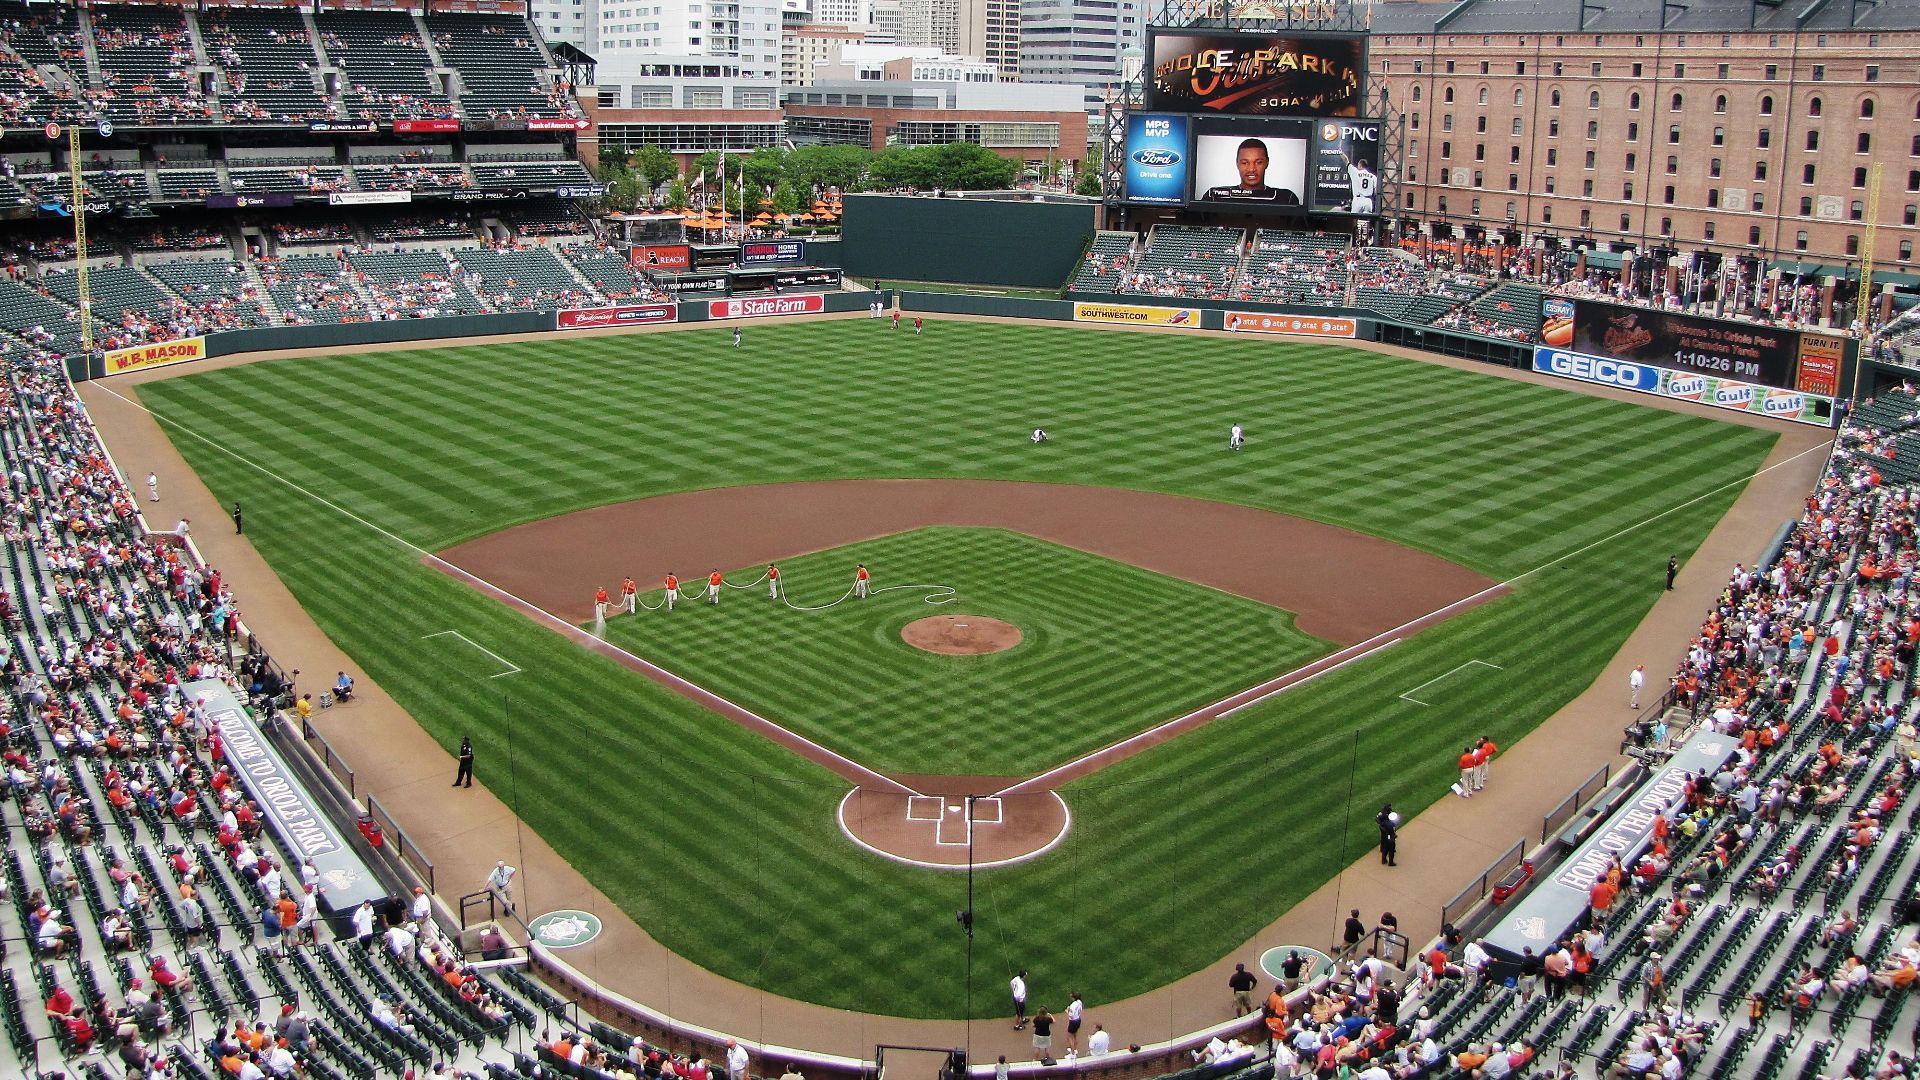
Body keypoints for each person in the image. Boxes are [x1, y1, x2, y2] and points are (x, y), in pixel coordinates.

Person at [1201, 139, 1300, 204]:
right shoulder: (1213, 196)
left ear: (1267, 163)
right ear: (1237, 163)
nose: (1251, 169)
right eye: (1245, 163)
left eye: (1258, 162)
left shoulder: (1286, 198)